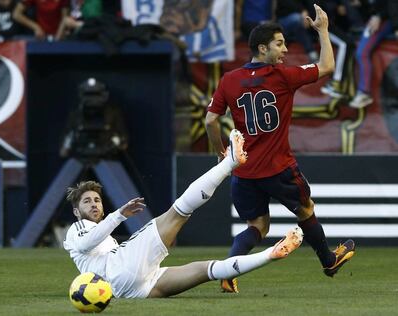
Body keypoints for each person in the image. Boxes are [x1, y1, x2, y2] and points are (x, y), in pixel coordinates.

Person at [205, 5, 355, 294]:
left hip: (244, 171)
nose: (285, 49)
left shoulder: (229, 79)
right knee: (306, 210)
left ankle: (228, 270)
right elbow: (327, 67)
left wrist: (221, 152)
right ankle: (328, 260)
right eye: (279, 43)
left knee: (257, 225)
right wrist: (323, 30)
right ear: (262, 48)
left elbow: (211, 119)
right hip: (278, 168)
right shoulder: (283, 76)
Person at [63, 129, 304, 299]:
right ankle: (229, 163)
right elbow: (86, 244)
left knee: (207, 270)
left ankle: (270, 255)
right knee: (178, 211)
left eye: (96, 200)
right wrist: (118, 215)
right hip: (117, 271)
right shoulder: (78, 228)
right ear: (76, 211)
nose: (94, 204)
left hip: (132, 290)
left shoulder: (105, 237)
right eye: (87, 202)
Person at [349, 0, 398, 109]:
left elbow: (391, 4)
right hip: (379, 18)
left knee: (362, 53)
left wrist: (380, 16)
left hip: (387, 19)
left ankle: (364, 92)